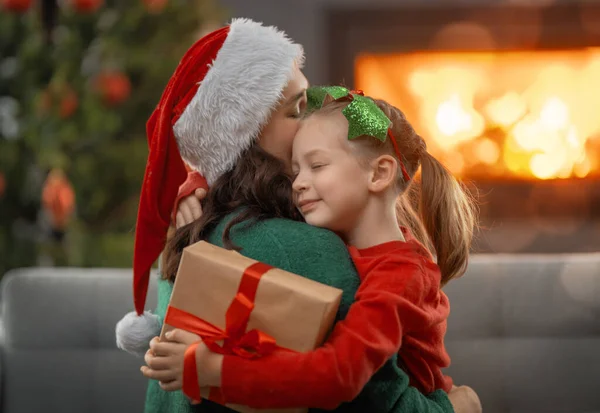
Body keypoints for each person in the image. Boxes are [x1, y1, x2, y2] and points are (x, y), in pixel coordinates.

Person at [115, 18, 481, 413]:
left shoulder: (198, 226)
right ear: (245, 133)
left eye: (318, 165)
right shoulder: (299, 249)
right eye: (297, 110)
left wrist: (214, 369)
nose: (309, 124)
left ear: (379, 173)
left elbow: (345, 377)